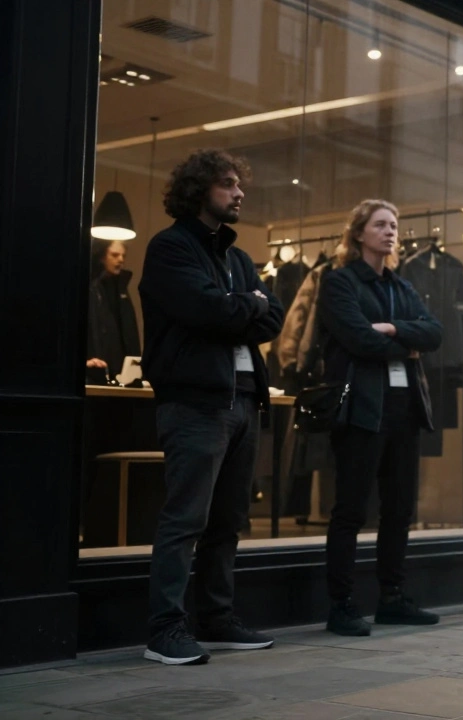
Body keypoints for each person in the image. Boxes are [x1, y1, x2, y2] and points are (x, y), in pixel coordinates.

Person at [138, 150, 284, 665]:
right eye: (228, 184)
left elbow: (273, 319)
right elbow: (205, 310)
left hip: (244, 400)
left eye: (239, 184)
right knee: (186, 520)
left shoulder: (239, 259)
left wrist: (245, 308)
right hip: (196, 403)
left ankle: (217, 619)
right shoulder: (170, 248)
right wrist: (248, 306)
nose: (239, 193)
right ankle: (165, 630)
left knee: (228, 522)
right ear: (200, 189)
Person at [317, 199, 443, 636]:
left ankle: (392, 597)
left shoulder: (403, 287)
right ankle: (342, 604)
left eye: (394, 225)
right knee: (350, 510)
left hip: (404, 411)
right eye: (381, 225)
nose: (391, 232)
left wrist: (389, 329)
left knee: (399, 510)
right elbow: (355, 338)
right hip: (360, 410)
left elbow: (435, 333)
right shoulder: (338, 283)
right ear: (359, 233)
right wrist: (405, 341)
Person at [86, 239, 141, 384]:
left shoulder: (120, 288)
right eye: (115, 255)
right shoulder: (93, 288)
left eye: (123, 255)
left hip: (119, 372)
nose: (121, 260)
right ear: (102, 256)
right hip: (97, 368)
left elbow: (129, 333)